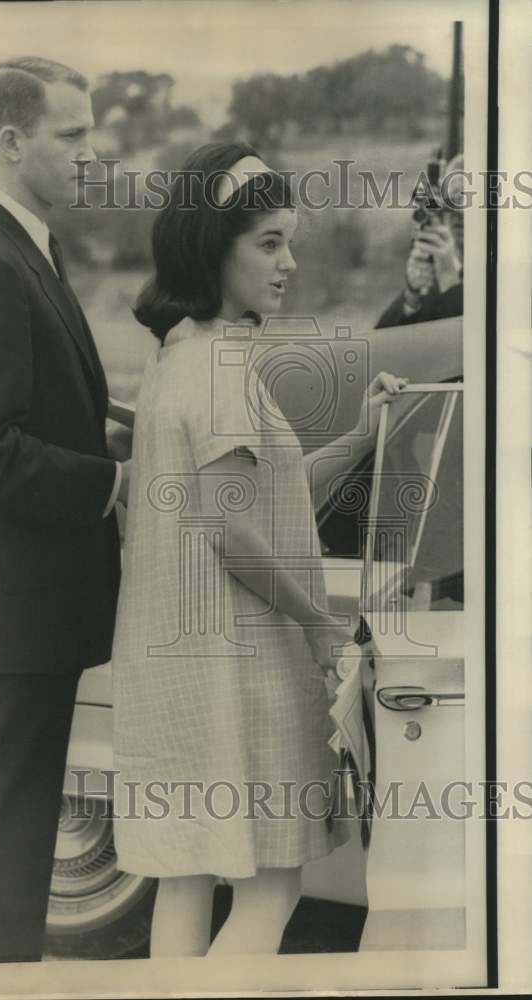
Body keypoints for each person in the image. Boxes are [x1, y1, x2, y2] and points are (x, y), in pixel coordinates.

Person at [110, 142, 407, 957]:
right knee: (272, 890)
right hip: (235, 676)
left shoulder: (179, 353)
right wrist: (319, 625)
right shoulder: (225, 367)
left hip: (177, 675)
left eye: (292, 241)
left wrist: (358, 438)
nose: (291, 264)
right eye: (269, 243)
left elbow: (263, 503)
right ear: (216, 246)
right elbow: (234, 533)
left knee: (184, 881)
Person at [0, 56, 129, 965]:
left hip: (20, 627)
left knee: (4, 881)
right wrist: (111, 480)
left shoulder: (23, 245)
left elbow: (29, 405)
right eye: (74, 136)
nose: (95, 153)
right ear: (12, 141)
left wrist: (118, 421)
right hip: (2, 631)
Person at [375, 154, 464, 328]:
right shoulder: (438, 269)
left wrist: (449, 280)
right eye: (453, 200)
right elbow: (383, 341)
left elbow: (472, 343)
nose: (459, 213)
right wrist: (412, 297)